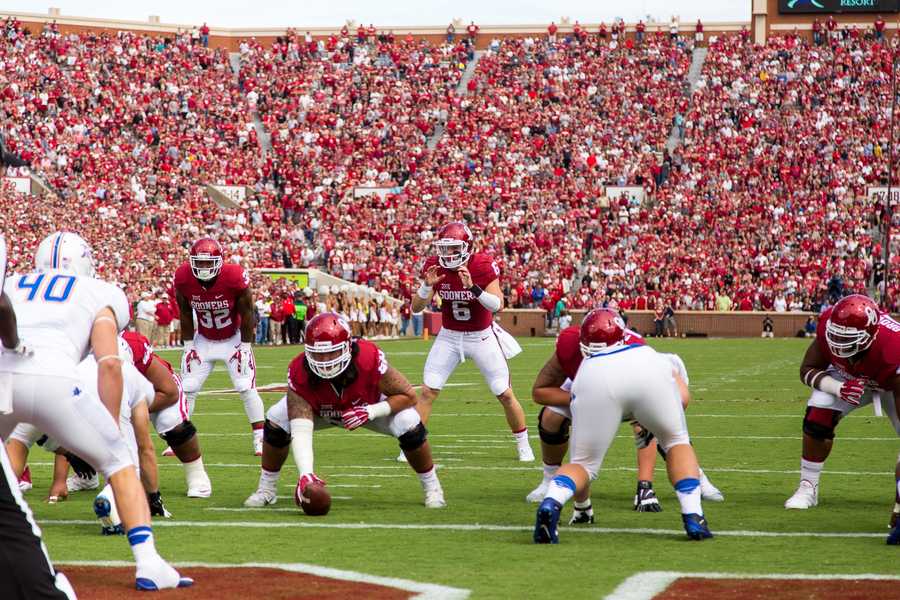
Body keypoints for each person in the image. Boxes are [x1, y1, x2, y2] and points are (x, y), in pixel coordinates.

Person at [0, 231, 190, 590]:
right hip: (57, 379)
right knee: (119, 462)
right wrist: (108, 423)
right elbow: (109, 363)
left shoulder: (13, 282)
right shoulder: (100, 292)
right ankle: (149, 562)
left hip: (3, 376)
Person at [533, 309, 713, 543]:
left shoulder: (578, 351)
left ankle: (553, 501)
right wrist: (652, 422)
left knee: (583, 465)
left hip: (595, 379)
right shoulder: (647, 351)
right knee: (677, 442)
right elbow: (682, 396)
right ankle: (693, 515)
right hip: (649, 371)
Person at [244, 313, 446, 508]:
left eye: (331, 352)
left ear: (348, 347)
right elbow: (301, 428)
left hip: (366, 407)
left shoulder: (368, 357)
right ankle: (266, 490)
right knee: (276, 420)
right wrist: (306, 474)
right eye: (317, 354)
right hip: (322, 410)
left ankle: (432, 487)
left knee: (409, 423)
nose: (324, 361)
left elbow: (409, 396)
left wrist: (371, 411)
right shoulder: (299, 369)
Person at [411, 222, 532, 461]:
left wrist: (473, 288)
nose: (448, 255)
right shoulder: (435, 266)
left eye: (454, 249)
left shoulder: (481, 265)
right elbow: (415, 308)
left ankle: (523, 444)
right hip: (449, 335)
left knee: (504, 393)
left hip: (481, 335)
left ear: (467, 248)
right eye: (444, 249)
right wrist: (426, 286)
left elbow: (498, 305)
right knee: (427, 391)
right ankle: (412, 444)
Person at [785, 295, 900, 544]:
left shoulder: (894, 347)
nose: (838, 344)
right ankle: (808, 486)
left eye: (848, 339)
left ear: (871, 333)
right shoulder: (828, 327)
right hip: (848, 379)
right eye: (835, 335)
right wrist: (838, 389)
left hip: (892, 384)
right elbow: (807, 369)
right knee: (818, 414)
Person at [0, 232, 77, 599]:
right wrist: (14, 344)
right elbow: (1, 307)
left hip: (18, 387)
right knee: (11, 520)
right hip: (33, 380)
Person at [175, 237, 265, 455]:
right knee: (188, 387)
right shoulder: (184, 277)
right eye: (200, 262)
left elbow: (247, 314)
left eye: (208, 263)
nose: (204, 267)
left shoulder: (233, 276)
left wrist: (244, 347)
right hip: (204, 339)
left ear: (219, 261)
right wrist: (188, 347)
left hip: (233, 338)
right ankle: (178, 439)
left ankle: (260, 438)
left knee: (245, 385)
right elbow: (185, 313)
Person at [121, 331, 211, 498]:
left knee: (172, 423)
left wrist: (132, 412)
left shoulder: (131, 344)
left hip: (155, 392)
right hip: (112, 399)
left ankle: (196, 474)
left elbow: (169, 393)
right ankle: (86, 476)